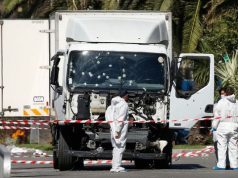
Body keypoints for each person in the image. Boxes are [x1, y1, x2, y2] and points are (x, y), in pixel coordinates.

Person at [212, 86, 238, 170]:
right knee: (233, 147)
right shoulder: (236, 102)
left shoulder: (221, 102)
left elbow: (217, 116)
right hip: (234, 126)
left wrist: (214, 127)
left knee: (222, 146)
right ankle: (234, 165)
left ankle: (221, 165)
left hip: (223, 126)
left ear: (226, 93)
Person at [105, 90, 129, 172]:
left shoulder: (112, 105)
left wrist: (114, 128)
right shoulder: (124, 105)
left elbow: (108, 117)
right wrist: (118, 130)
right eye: (127, 95)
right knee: (120, 147)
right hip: (120, 129)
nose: (128, 97)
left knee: (115, 147)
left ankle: (114, 166)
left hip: (113, 127)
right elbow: (121, 118)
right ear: (124, 96)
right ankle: (116, 167)